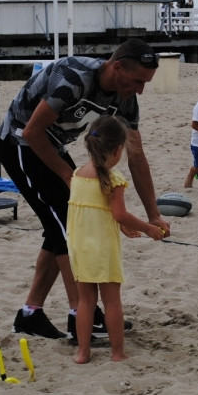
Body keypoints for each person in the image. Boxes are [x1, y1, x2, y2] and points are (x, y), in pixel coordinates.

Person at [0, 38, 171, 339]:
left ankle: (30, 314)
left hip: (51, 144)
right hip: (19, 142)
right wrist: (69, 175)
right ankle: (82, 315)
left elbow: (136, 155)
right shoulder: (74, 78)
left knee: (61, 225)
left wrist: (153, 214)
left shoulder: (125, 97)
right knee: (68, 226)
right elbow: (32, 131)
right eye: (138, 81)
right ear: (117, 67)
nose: (140, 90)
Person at [69, 116, 166, 363]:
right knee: (112, 302)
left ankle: (82, 352)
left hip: (79, 247)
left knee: (85, 301)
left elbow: (98, 211)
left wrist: (121, 226)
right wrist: (147, 228)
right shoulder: (114, 179)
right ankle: (117, 352)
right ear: (117, 149)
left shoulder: (77, 175)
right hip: (103, 250)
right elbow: (120, 213)